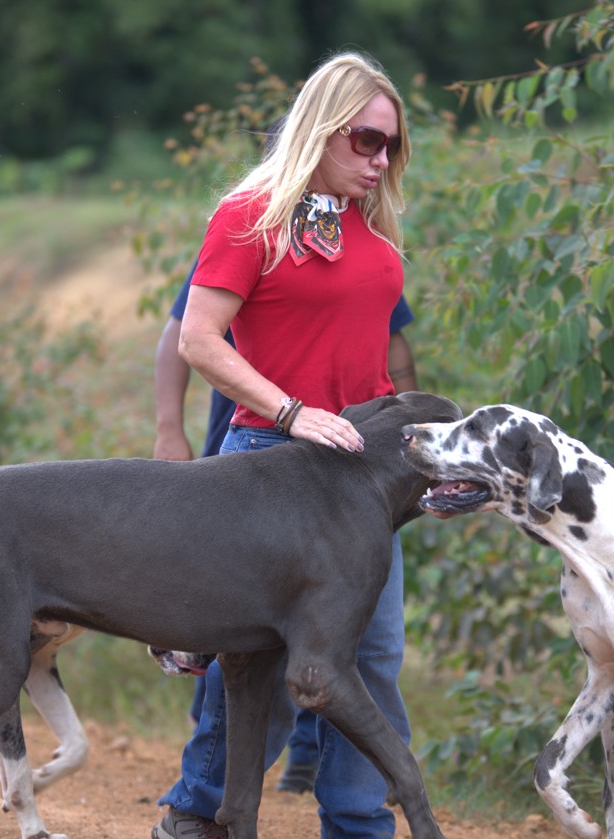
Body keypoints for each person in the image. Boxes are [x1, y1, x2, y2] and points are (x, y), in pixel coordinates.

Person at [151, 50, 416, 839]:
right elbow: (197, 338)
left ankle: (359, 826)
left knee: (370, 661)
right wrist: (292, 410)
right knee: (257, 666)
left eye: (391, 147)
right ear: (321, 125)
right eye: (365, 140)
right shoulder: (250, 212)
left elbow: (377, 352)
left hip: (362, 470)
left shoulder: (368, 221)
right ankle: (196, 815)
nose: (379, 159)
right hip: (270, 459)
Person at [152, 266, 420, 796]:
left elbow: (396, 352)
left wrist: (414, 448)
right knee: (243, 650)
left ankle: (315, 772)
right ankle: (205, 800)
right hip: (253, 458)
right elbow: (184, 334)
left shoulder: (368, 248)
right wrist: (168, 429)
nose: (377, 176)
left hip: (350, 466)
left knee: (353, 645)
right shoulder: (258, 234)